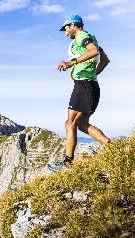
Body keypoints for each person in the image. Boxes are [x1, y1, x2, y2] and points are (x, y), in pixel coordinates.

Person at [48, 15, 111, 171]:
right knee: (81, 125)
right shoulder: (91, 38)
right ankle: (113, 148)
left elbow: (94, 51)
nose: (65, 32)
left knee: (70, 124)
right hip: (89, 85)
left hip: (84, 86)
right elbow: (105, 60)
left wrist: (71, 63)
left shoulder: (82, 36)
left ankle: (68, 163)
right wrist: (93, 74)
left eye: (66, 28)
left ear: (74, 25)